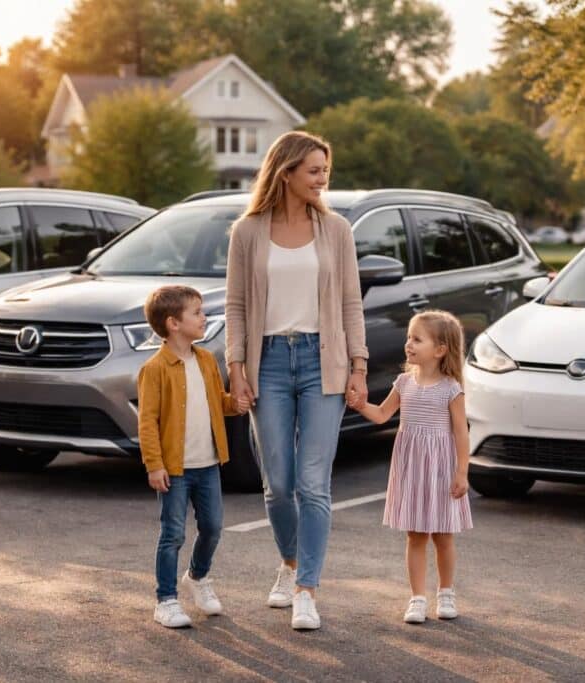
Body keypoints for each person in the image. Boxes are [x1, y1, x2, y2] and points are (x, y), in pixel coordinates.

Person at [225, 131, 369, 630]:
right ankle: (289, 563)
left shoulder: (337, 230)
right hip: (266, 363)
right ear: (285, 173)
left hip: (321, 361)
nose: (322, 178)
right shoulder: (247, 232)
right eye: (313, 170)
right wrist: (237, 369)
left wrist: (358, 366)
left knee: (313, 483)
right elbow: (236, 306)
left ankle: (307, 589)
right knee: (279, 484)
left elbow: (351, 302)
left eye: (325, 169)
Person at [137, 285, 249, 628]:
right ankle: (166, 601)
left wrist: (236, 404)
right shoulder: (155, 369)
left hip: (208, 464)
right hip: (175, 469)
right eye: (197, 313)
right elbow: (147, 422)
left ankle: (197, 577)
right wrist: (154, 465)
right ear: (174, 323)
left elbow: (217, 401)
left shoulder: (205, 360)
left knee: (212, 528)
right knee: (173, 534)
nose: (204, 318)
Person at [351, 310, 472, 624]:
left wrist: (462, 472)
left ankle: (446, 592)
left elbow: (461, 432)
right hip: (412, 469)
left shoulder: (451, 388)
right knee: (416, 535)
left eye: (417, 339)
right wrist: (359, 404)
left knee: (443, 535)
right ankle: (417, 598)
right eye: (409, 337)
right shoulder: (404, 382)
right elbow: (381, 415)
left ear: (440, 349)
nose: (409, 344)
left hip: (441, 469)